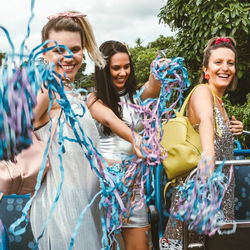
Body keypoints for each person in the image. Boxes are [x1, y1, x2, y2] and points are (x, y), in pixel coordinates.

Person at [30, 11, 105, 249]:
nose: (69, 57)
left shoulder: (71, 93)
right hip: (61, 208)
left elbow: (83, 156)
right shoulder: (46, 88)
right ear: (44, 53)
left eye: (75, 49)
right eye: (58, 50)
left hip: (86, 205)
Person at [161, 37, 243, 249]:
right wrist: (208, 154)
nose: (225, 68)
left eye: (230, 63)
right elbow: (205, 119)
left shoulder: (221, 103)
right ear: (206, 69)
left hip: (219, 198)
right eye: (218, 62)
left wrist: (233, 131)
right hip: (198, 196)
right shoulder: (202, 91)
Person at [87, 40, 163, 250]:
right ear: (104, 69)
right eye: (116, 68)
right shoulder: (94, 99)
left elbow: (154, 86)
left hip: (132, 186)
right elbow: (111, 120)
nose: (123, 72)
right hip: (104, 185)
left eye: (126, 66)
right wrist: (136, 138)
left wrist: (158, 68)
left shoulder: (135, 97)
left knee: (141, 246)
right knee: (106, 245)